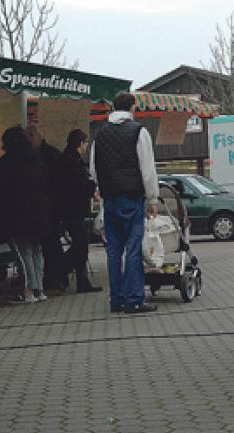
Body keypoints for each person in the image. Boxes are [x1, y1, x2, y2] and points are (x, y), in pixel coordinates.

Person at [89, 92, 160, 314]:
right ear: (132, 108)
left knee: (113, 249)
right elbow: (147, 169)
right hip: (131, 196)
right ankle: (134, 299)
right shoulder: (139, 132)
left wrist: (101, 187)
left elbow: (93, 168)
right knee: (133, 247)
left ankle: (116, 300)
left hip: (110, 197)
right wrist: (152, 198)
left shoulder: (100, 135)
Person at [0, 126, 52, 303]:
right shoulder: (37, 160)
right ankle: (39, 289)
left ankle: (27, 291)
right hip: (40, 214)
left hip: (17, 216)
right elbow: (46, 186)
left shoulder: (2, 165)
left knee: (23, 253)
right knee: (36, 250)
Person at [24, 125, 69, 292]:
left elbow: (56, 183)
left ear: (37, 137)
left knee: (50, 244)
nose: (27, 140)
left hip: (50, 207)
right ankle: (54, 277)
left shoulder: (46, 156)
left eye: (29, 136)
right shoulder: (48, 154)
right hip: (48, 207)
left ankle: (55, 276)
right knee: (49, 244)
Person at [60, 128, 102, 293]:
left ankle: (80, 279)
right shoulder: (72, 161)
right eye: (85, 143)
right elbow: (79, 183)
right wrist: (92, 187)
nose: (86, 146)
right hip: (72, 209)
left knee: (81, 243)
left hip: (71, 208)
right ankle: (60, 269)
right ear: (80, 143)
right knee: (81, 243)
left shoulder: (69, 158)